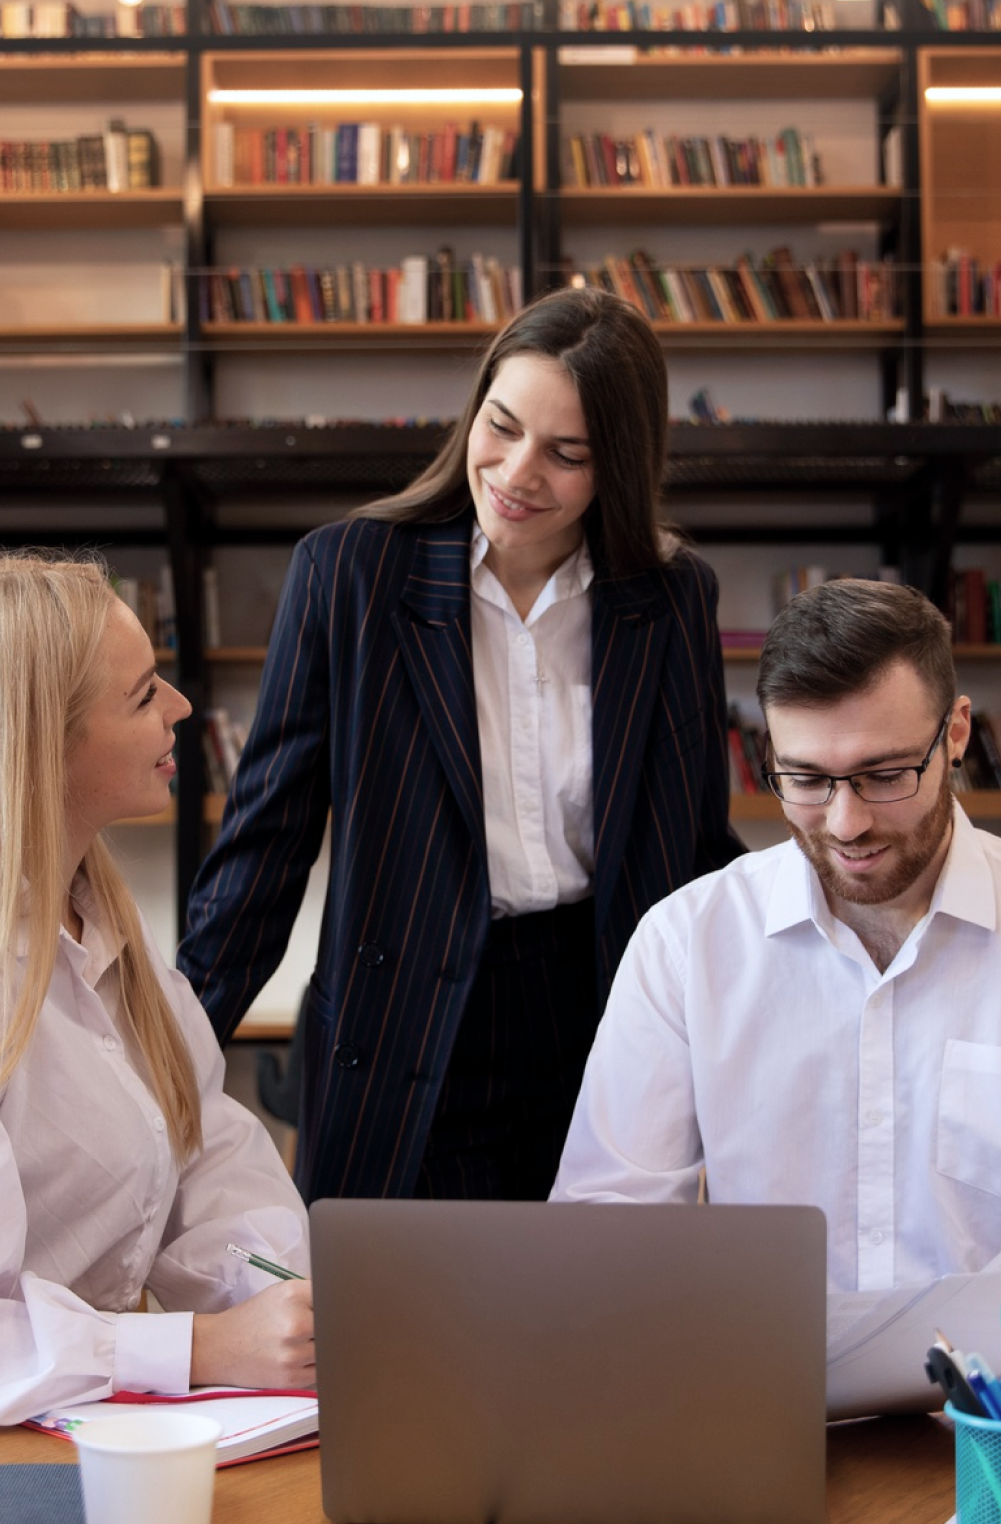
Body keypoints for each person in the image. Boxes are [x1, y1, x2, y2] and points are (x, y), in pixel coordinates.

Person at [552, 577, 1001, 1412]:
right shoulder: (685, 944)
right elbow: (604, 1226)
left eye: (884, 775)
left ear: (955, 733)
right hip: (759, 1415)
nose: (845, 823)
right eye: (805, 779)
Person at [178, 286, 743, 1203]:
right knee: (396, 1323)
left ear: (619, 468)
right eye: (501, 426)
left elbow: (693, 850)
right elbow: (262, 847)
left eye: (566, 454)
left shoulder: (671, 598)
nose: (518, 473)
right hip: (406, 1003)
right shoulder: (350, 573)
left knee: (588, 1314)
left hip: (599, 1006)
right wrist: (157, 1067)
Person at [0, 553, 314, 1436]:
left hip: (103, 1440)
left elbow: (218, 1179)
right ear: (37, 748)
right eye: (143, 696)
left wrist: (282, 1300)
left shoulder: (133, 975)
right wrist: (197, 1350)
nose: (179, 706)